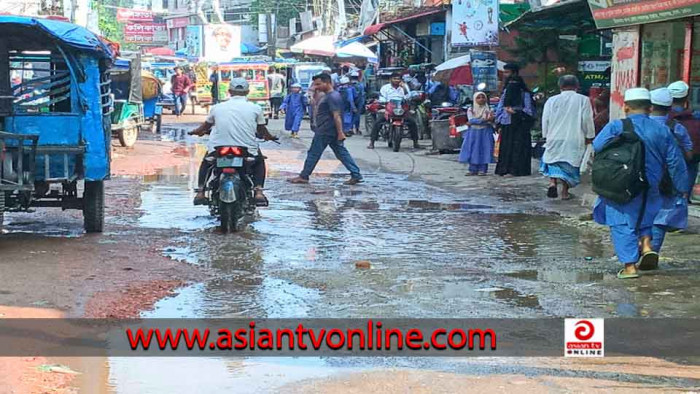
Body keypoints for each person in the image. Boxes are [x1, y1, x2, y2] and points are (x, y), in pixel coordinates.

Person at [593, 87, 688, 279]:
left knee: (622, 222)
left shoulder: (616, 126)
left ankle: (629, 267)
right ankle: (646, 245)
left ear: (626, 107)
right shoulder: (662, 130)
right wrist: (682, 188)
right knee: (646, 215)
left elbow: (597, 145)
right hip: (652, 184)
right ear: (650, 108)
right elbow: (675, 162)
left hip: (622, 183)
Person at [189, 78, 277, 206]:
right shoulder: (255, 108)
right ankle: (258, 192)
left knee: (206, 162)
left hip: (218, 148)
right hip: (246, 148)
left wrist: (196, 132)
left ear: (229, 91)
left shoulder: (217, 107)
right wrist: (269, 137)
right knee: (259, 162)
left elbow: (205, 127)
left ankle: (201, 192)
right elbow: (262, 130)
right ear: (247, 92)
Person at [287, 73, 363, 185]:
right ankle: (356, 174)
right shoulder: (327, 95)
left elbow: (336, 116)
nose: (316, 86)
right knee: (341, 152)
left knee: (313, 153)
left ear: (327, 83)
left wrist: (341, 132)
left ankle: (304, 176)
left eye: (318, 84)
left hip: (326, 130)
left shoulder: (332, 96)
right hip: (329, 130)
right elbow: (313, 104)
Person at [648, 87, 691, 253]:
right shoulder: (676, 127)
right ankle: (651, 251)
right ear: (669, 108)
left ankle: (634, 251)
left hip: (639, 178)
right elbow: (684, 155)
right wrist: (682, 188)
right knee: (661, 218)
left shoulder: (636, 126)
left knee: (638, 214)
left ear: (650, 106)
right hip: (665, 180)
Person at [539, 75, 595, 200]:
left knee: (553, 160)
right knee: (569, 164)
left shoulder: (551, 100)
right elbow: (587, 119)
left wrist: (545, 135)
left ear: (560, 86)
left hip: (554, 136)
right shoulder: (583, 100)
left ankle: (552, 182)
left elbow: (545, 119)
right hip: (574, 137)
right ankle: (564, 192)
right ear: (577, 86)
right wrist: (590, 135)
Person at [494, 63, 535, 177]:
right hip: (507, 123)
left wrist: (516, 113)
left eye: (508, 72)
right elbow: (501, 107)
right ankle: (505, 169)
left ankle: (516, 170)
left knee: (518, 147)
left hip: (520, 124)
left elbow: (529, 111)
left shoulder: (524, 93)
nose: (506, 75)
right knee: (506, 146)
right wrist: (498, 121)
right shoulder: (506, 90)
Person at [369, 72, 419, 149]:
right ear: (390, 80)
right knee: (378, 123)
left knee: (412, 123)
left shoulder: (404, 87)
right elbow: (382, 97)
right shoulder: (385, 88)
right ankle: (372, 142)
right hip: (388, 108)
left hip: (401, 109)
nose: (396, 80)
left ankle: (415, 142)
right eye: (394, 78)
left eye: (398, 79)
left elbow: (408, 97)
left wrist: (405, 89)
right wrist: (383, 102)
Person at [668, 80, 700, 201]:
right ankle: (683, 199)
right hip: (691, 157)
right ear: (686, 97)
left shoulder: (663, 116)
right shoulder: (695, 116)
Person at [459, 91, 495, 176]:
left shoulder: (489, 109)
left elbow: (490, 120)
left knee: (484, 149)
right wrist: (484, 120)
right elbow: (471, 120)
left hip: (485, 132)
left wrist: (484, 121)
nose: (481, 99)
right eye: (478, 98)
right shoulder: (471, 109)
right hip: (473, 133)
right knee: (473, 150)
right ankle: (472, 169)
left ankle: (483, 169)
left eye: (483, 97)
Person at [350, 71, 365, 136]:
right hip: (359, 102)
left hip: (350, 102)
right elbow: (362, 94)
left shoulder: (349, 85)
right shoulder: (360, 85)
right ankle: (357, 128)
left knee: (350, 115)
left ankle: (350, 128)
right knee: (357, 115)